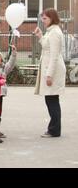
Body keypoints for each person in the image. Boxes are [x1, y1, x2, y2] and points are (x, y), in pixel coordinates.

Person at [34, 8, 66, 138]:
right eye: (42, 18)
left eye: (45, 18)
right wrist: (40, 36)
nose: (43, 20)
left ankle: (54, 130)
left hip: (53, 70)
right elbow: (46, 47)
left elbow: (54, 56)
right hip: (50, 68)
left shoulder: (55, 33)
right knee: (51, 99)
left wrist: (49, 75)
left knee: (52, 100)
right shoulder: (51, 31)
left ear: (52, 18)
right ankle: (54, 128)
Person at [0, 45, 17, 138]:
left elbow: (11, 63)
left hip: (0, 94)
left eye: (0, 60)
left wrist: (13, 54)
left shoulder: (4, 68)